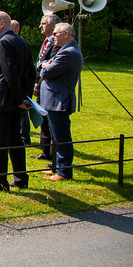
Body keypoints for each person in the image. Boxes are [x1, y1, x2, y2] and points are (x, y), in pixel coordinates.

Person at [0, 11, 34, 192]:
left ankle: (0, 182)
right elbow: (30, 73)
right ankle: (20, 178)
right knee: (15, 139)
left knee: (0, 142)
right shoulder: (22, 41)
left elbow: (9, 73)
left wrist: (19, 99)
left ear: (2, 23)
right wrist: (25, 97)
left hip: (3, 100)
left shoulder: (4, 42)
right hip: (15, 100)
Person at [38, 23, 83, 181]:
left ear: (66, 34)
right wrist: (46, 65)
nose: (53, 37)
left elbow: (47, 72)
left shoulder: (68, 53)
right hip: (54, 99)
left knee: (62, 137)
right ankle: (56, 166)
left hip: (59, 100)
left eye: (55, 34)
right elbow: (46, 67)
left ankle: (64, 171)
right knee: (56, 136)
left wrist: (45, 66)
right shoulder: (65, 50)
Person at [31, 14, 62, 162]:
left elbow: (49, 66)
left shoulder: (57, 44)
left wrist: (39, 82)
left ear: (53, 25)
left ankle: (53, 155)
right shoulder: (46, 41)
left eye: (43, 23)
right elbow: (40, 64)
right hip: (41, 85)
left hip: (49, 87)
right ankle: (45, 152)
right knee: (43, 120)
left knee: (50, 123)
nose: (40, 26)